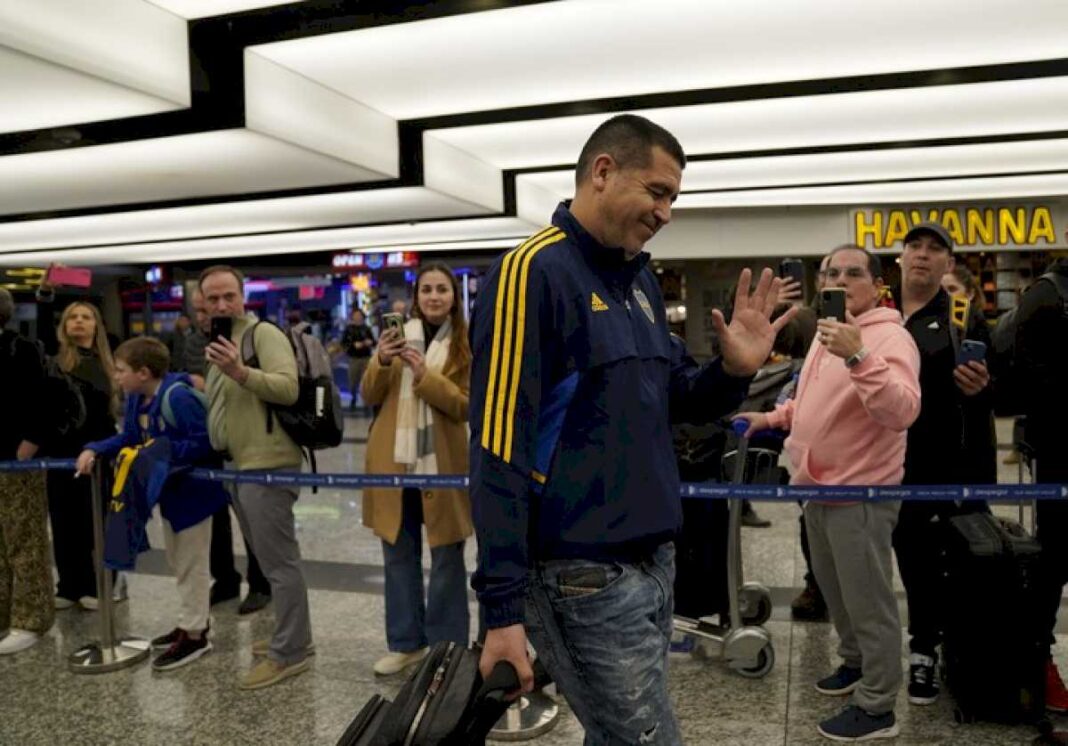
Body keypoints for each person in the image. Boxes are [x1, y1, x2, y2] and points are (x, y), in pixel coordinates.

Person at [469, 114, 793, 744]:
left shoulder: (639, 279)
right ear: (602, 172)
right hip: (578, 572)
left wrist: (732, 372)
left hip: (653, 559)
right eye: (658, 191)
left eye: (673, 197)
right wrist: (501, 609)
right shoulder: (532, 273)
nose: (667, 212)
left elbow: (678, 397)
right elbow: (498, 448)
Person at [739, 245, 921, 742]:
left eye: (853, 272)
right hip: (816, 491)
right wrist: (773, 418)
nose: (840, 280)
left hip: (862, 496)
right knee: (837, 593)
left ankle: (879, 703)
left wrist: (859, 354)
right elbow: (811, 400)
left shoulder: (889, 338)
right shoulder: (827, 334)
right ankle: (855, 663)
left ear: (877, 283)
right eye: (830, 272)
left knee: (869, 601)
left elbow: (902, 411)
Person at [76, 337, 228, 671]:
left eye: (121, 370)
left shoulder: (179, 397)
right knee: (177, 560)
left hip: (193, 496)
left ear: (143, 373)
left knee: (191, 563)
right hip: (168, 494)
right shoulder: (135, 400)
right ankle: (192, 621)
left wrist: (160, 454)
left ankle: (196, 635)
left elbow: (205, 442)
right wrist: (96, 448)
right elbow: (130, 438)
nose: (116, 377)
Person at [890, 222, 994, 706]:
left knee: (943, 561)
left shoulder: (959, 316)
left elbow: (993, 385)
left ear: (948, 264)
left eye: (935, 250)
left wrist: (983, 389)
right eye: (915, 246)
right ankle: (905, 649)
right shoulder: (878, 313)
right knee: (907, 560)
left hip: (944, 464)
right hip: (884, 464)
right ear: (901, 257)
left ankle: (933, 650)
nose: (923, 255)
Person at [200, 265, 313, 690]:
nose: (222, 305)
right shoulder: (220, 342)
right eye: (212, 299)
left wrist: (239, 371)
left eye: (229, 296)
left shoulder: (261, 335)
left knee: (280, 563)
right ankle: (297, 635)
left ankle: (291, 653)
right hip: (237, 465)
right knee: (268, 560)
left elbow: (288, 389)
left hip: (268, 463)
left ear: (242, 295)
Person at [360, 263, 472, 676]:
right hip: (393, 464)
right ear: (415, 296)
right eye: (427, 289)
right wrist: (382, 360)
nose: (434, 297)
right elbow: (369, 393)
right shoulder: (396, 338)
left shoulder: (466, 344)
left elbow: (466, 405)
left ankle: (447, 648)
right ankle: (406, 643)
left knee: (446, 560)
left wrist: (426, 377)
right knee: (397, 557)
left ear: (454, 297)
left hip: (442, 464)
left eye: (442, 289)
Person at [186, 289, 272, 613]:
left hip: (242, 439)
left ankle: (261, 582)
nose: (205, 315)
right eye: (200, 308)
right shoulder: (193, 342)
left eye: (206, 308)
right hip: (204, 437)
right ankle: (224, 578)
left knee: (251, 517)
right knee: (214, 518)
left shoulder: (247, 338)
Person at [1015, 253, 1068, 713]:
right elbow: (1025, 375)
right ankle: (1037, 665)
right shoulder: (1049, 294)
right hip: (1061, 457)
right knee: (1053, 563)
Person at [46, 301, 122, 611]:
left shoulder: (109, 364)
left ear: (96, 325)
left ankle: (98, 584)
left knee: (98, 522)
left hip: (99, 451)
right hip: (61, 453)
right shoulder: (54, 363)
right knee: (64, 522)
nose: (78, 322)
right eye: (72, 317)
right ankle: (69, 584)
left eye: (85, 317)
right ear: (63, 326)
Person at [0, 288, 55, 655]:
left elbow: (42, 400)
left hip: (15, 459)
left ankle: (30, 617)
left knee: (24, 540)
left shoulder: (23, 349)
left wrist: (29, 445)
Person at [341, 309, 376, 412]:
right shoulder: (349, 329)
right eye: (356, 315)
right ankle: (353, 397)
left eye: (359, 315)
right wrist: (353, 345)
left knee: (365, 380)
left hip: (365, 357)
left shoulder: (366, 328)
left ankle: (366, 400)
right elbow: (343, 343)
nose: (358, 317)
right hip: (354, 358)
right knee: (353, 380)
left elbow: (373, 341)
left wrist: (370, 342)